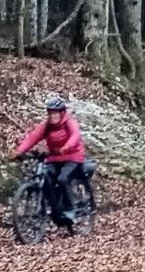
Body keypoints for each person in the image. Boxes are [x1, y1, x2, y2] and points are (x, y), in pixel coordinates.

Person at [14, 97, 90, 233]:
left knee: (62, 179)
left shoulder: (69, 122)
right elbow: (33, 137)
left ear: (61, 113)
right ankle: (55, 209)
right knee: (46, 178)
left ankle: (70, 208)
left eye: (55, 113)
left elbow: (75, 135)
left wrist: (66, 147)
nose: (52, 116)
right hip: (55, 158)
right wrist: (20, 151)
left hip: (73, 157)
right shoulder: (47, 125)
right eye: (50, 113)